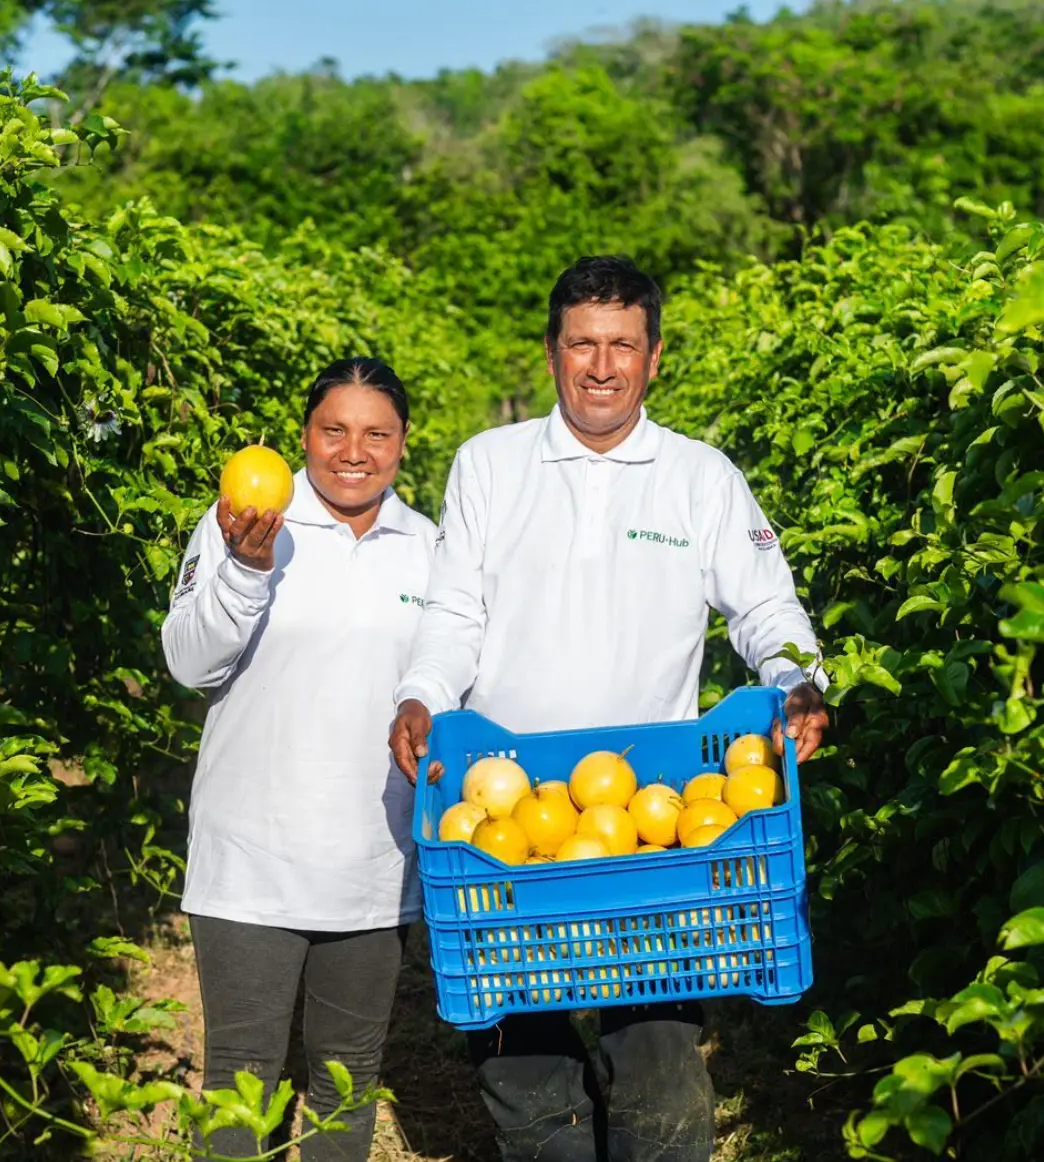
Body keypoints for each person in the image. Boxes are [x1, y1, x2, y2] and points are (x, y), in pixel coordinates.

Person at [386, 255, 831, 1162]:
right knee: (526, 1077)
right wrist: (421, 695)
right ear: (552, 352)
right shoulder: (490, 465)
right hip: (505, 815)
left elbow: (765, 606)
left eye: (622, 345)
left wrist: (797, 679)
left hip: (653, 821)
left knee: (660, 1067)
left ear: (654, 357)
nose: (601, 366)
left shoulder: (699, 477)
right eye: (582, 344)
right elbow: (455, 613)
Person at [162, 356, 434, 1162]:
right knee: (240, 1079)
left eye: (376, 434)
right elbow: (187, 663)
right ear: (303, 437)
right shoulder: (245, 521)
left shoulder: (430, 548)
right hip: (251, 859)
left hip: (375, 862)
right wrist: (246, 571)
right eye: (333, 430)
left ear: (403, 442)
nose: (353, 451)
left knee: (347, 1081)